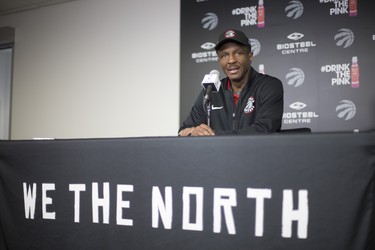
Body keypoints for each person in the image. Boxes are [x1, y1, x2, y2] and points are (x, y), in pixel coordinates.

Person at [179, 29, 284, 136]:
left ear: (250, 56)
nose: (231, 60)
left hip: (256, 152)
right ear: (219, 61)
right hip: (218, 153)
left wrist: (214, 136)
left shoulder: (269, 86)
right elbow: (184, 130)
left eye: (238, 53)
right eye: (224, 55)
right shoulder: (210, 92)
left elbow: (265, 129)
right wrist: (193, 132)